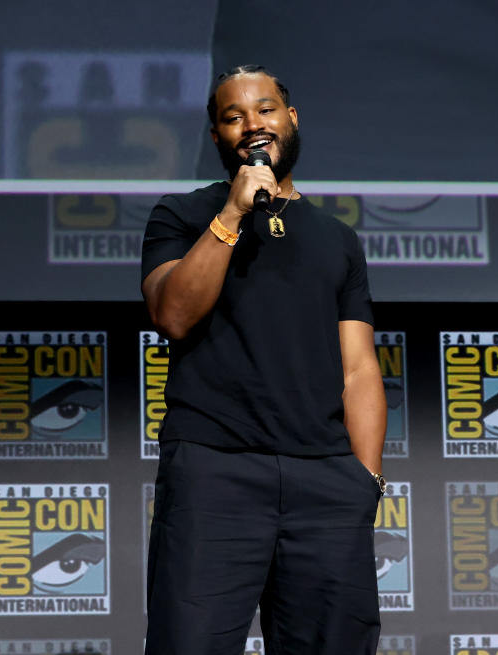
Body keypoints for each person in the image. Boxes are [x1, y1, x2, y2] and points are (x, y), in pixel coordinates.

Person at [141, 64, 386, 655]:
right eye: (233, 116)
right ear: (218, 137)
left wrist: (365, 479)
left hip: (325, 479)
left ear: (291, 118)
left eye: (266, 109)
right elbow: (173, 315)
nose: (253, 124)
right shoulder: (181, 215)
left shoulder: (337, 238)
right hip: (214, 472)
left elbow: (357, 367)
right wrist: (231, 217)